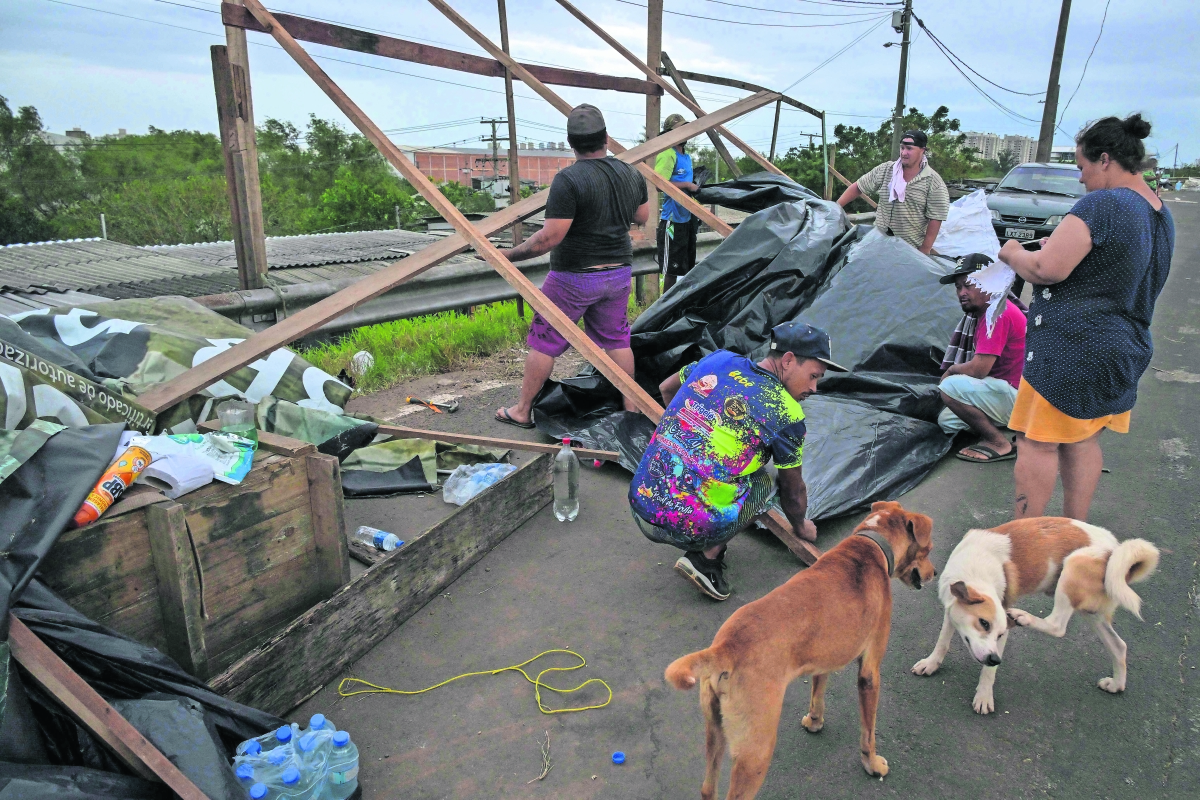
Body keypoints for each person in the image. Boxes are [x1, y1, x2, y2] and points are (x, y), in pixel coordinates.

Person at [999, 113, 1174, 521]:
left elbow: (1046, 270)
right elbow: (1109, 263)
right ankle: (1074, 532)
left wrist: (1013, 253)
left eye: (1082, 167)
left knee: (1036, 442)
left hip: (1071, 350)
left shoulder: (1105, 203)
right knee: (1083, 439)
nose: (1080, 179)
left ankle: (1028, 539)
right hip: (1122, 346)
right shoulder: (1159, 212)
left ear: (1106, 159)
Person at [628, 322, 847, 601]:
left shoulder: (720, 360)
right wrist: (801, 526)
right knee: (763, 481)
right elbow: (793, 492)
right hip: (685, 528)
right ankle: (705, 558)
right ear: (789, 360)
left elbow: (666, 387)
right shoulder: (786, 413)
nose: (814, 388)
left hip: (641, 499)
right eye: (813, 376)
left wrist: (683, 428)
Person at [494, 104, 651, 429]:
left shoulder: (568, 180)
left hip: (574, 278)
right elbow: (642, 217)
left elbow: (549, 238)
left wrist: (509, 255)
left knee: (544, 340)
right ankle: (632, 411)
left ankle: (523, 410)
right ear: (606, 137)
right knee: (617, 341)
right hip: (619, 272)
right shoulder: (630, 172)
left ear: (571, 142)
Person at [936, 253, 1027, 462]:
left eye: (968, 285)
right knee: (947, 421)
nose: (962, 293)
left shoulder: (996, 314)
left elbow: (979, 370)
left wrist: (951, 371)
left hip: (1019, 396)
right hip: (1009, 392)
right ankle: (1015, 428)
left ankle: (999, 443)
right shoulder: (989, 311)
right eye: (958, 287)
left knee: (950, 387)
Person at [835, 130, 950, 254]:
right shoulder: (886, 170)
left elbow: (936, 217)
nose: (904, 153)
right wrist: (835, 207)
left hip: (909, 249)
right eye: (902, 148)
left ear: (922, 150)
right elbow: (858, 187)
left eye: (909, 149)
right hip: (877, 243)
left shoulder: (932, 181)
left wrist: (925, 250)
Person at [654, 113, 701, 293]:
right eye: (679, 129)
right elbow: (659, 183)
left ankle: (680, 309)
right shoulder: (667, 153)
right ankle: (664, 311)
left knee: (687, 268)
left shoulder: (686, 157)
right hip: (672, 222)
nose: (684, 133)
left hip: (687, 218)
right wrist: (687, 185)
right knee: (671, 271)